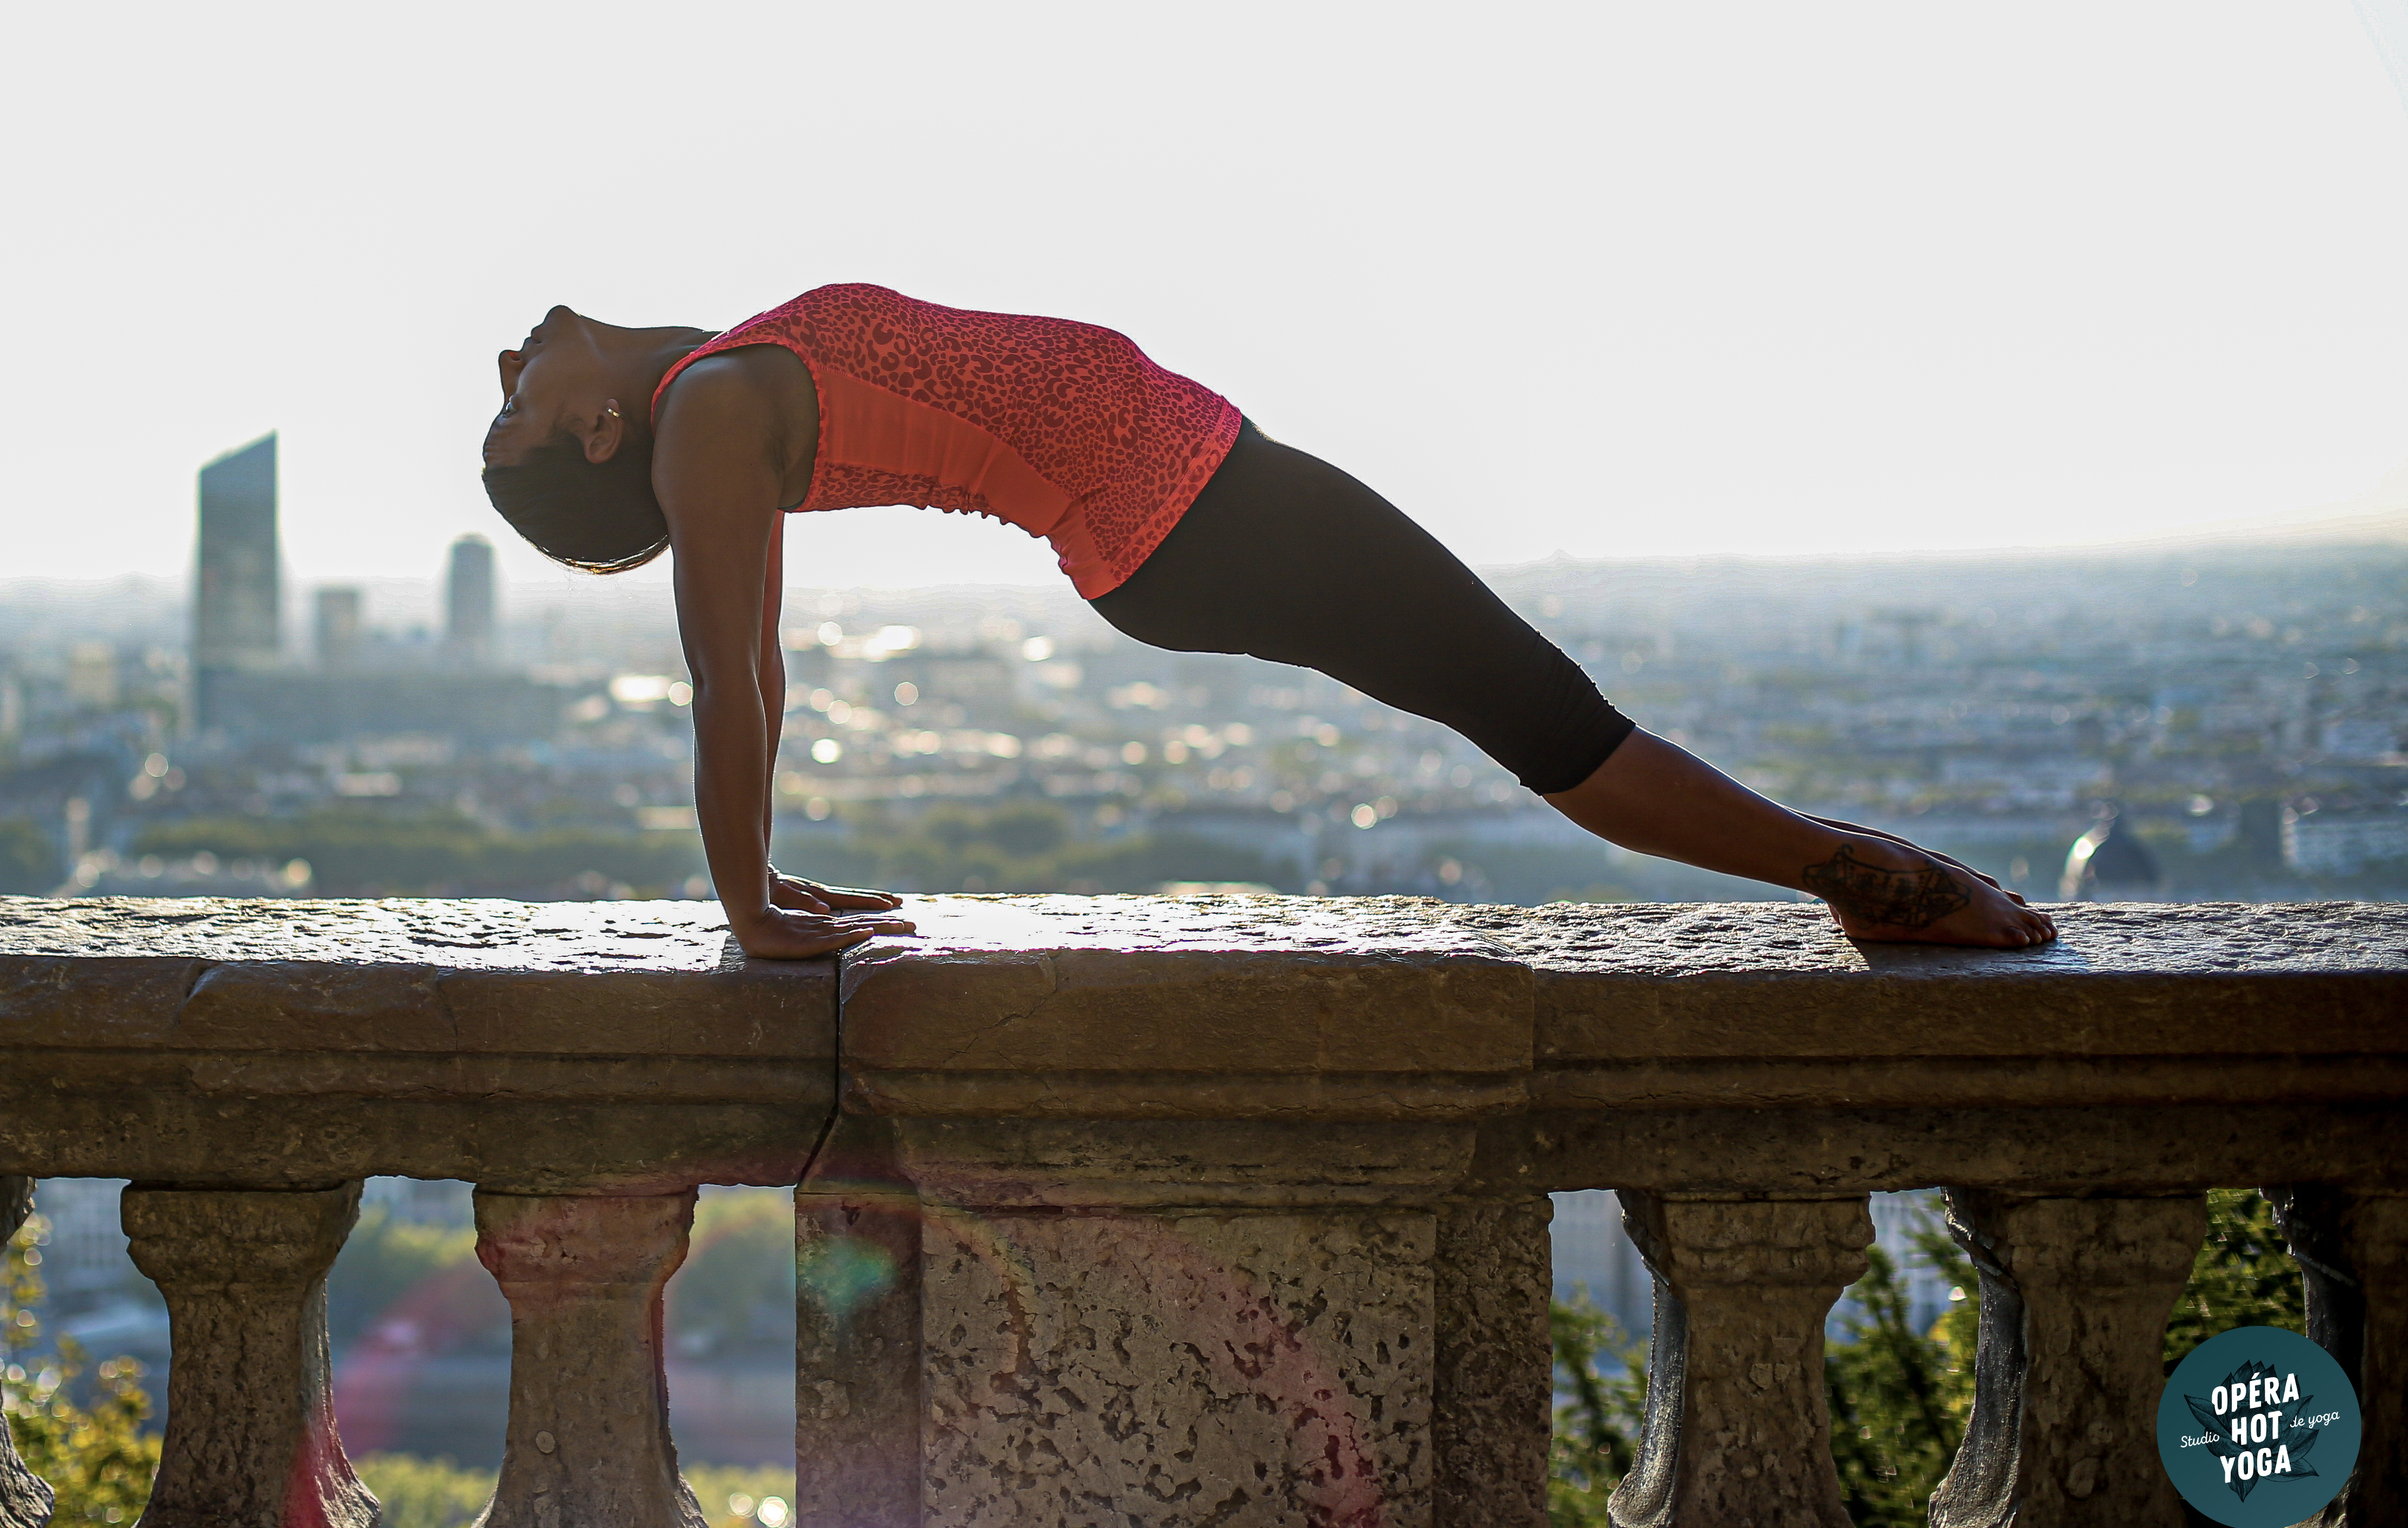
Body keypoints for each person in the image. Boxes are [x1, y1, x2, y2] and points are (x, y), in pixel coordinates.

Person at [481, 284, 2056, 962]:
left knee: (1532, 703)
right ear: (598, 440)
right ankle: (1869, 882)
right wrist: (745, 904)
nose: (507, 365)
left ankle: (1857, 869)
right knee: (1542, 714)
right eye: (513, 415)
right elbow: (733, 674)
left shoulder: (710, 386)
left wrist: (758, 875)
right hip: (1183, 518)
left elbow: (749, 661)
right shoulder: (697, 418)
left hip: (1192, 504)